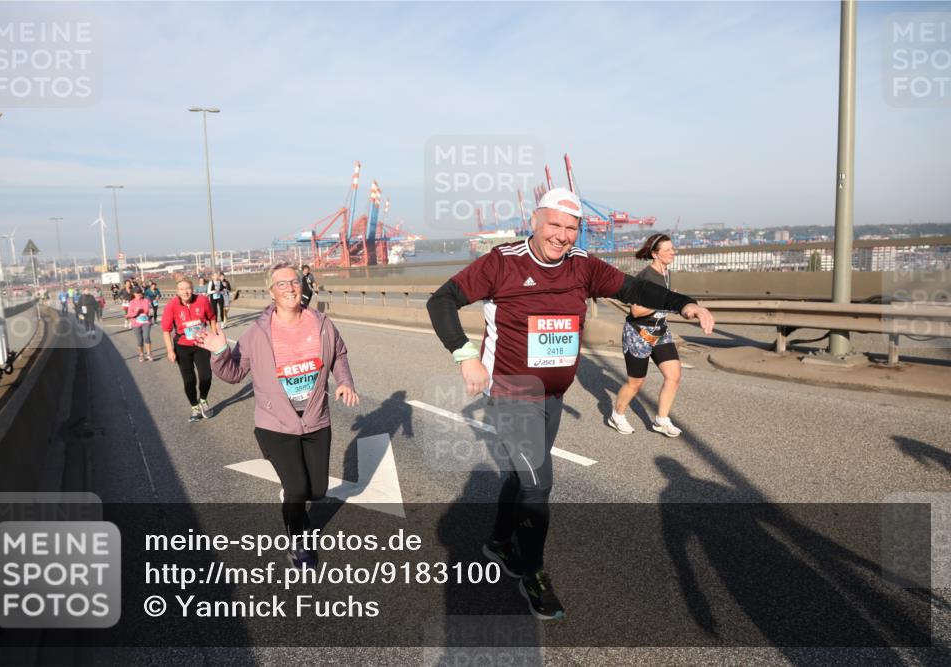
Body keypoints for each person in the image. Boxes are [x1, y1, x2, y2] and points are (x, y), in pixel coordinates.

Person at [426, 188, 714, 621]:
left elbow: (634, 287)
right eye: (555, 225)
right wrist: (465, 356)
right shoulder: (503, 262)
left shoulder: (582, 264)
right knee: (538, 485)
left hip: (554, 394)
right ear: (535, 222)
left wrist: (684, 303)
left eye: (571, 228)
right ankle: (533, 573)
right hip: (512, 391)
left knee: (521, 476)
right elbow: (441, 300)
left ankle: (499, 542)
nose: (562, 236)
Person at [197, 262, 358, 568]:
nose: (289, 288)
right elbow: (233, 374)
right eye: (281, 284)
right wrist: (219, 352)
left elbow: (339, 355)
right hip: (275, 424)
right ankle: (297, 543)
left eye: (294, 282)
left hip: (315, 419)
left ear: (302, 285)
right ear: (271, 292)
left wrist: (345, 382)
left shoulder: (322, 324)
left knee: (317, 491)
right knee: (297, 489)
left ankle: (295, 504)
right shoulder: (257, 333)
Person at [609, 233, 686, 437]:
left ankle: (661, 420)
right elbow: (636, 311)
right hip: (638, 333)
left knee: (674, 376)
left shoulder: (665, 272)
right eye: (668, 250)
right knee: (635, 382)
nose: (673, 252)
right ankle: (617, 415)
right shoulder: (646, 277)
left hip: (660, 331)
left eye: (673, 248)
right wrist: (664, 302)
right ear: (655, 254)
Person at [161, 278, 220, 422]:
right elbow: (166, 330)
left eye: (187, 288)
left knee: (206, 376)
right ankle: (194, 406)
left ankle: (203, 400)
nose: (185, 292)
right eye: (181, 289)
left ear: (192, 289)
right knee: (189, 381)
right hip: (182, 347)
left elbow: (212, 318)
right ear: (177, 291)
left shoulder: (202, 300)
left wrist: (214, 337)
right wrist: (170, 351)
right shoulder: (171, 305)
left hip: (201, 344)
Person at [126, 286, 154, 362]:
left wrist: (150, 314)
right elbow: (129, 314)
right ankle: (141, 355)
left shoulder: (146, 300)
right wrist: (136, 312)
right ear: (134, 294)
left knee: (146, 337)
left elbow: (151, 311)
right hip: (136, 323)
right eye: (138, 293)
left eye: (140, 292)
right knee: (140, 340)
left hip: (146, 322)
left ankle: (149, 353)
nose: (139, 294)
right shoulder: (132, 302)